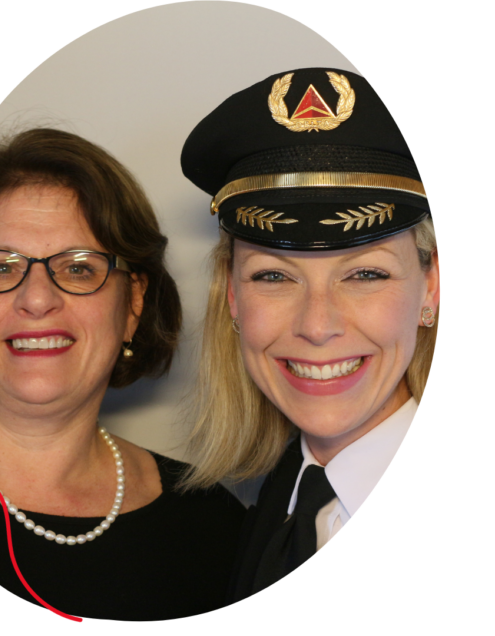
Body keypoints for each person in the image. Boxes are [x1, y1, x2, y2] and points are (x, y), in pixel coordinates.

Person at [0, 128, 245, 620]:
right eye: (1, 268)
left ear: (133, 303)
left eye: (79, 268)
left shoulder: (214, 527)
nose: (38, 299)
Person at [180, 68, 439, 601]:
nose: (317, 326)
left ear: (431, 289)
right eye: (272, 276)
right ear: (232, 296)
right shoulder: (276, 501)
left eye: (365, 274)